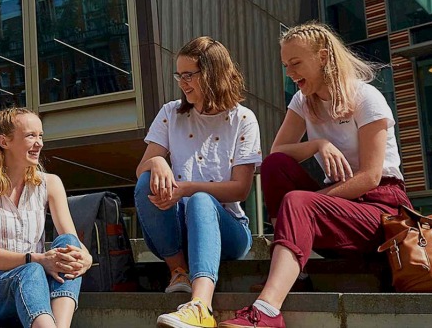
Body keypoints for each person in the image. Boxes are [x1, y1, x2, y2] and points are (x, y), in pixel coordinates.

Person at [221, 22, 411, 328]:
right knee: (275, 165)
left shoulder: (367, 97)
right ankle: (296, 272)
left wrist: (308, 205)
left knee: (298, 202)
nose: (289, 73)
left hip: (382, 212)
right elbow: (278, 151)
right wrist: (318, 144)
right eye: (285, 65)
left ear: (323, 57)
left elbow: (370, 178)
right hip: (338, 210)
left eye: (296, 63)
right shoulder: (302, 100)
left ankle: (267, 312)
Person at [135, 36, 262, 328]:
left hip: (229, 230)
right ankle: (178, 271)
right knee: (146, 180)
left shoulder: (243, 119)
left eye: (189, 75)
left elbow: (241, 189)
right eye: (179, 75)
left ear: (213, 73)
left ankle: (201, 306)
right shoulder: (170, 113)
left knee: (202, 200)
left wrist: (188, 189)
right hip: (176, 231)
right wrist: (157, 162)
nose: (182, 82)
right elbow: (143, 168)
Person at [0, 107, 92, 328]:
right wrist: (37, 259)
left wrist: (85, 258)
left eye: (40, 136)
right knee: (31, 269)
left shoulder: (50, 183)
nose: (39, 143)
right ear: (4, 141)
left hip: (35, 282)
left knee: (68, 245)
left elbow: (72, 238)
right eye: (31, 136)